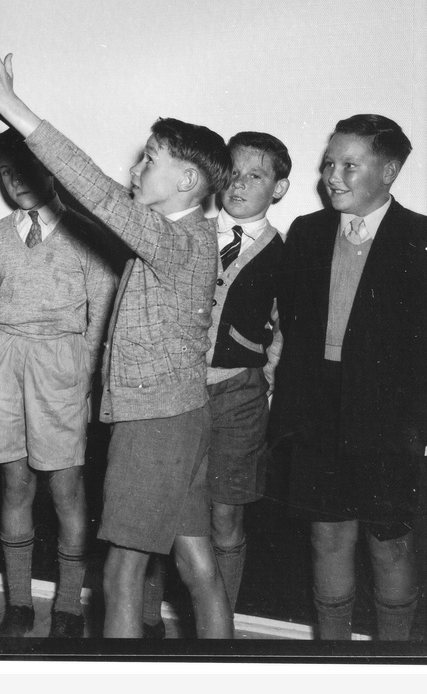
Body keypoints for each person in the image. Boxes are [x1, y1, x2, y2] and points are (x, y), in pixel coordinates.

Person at [0, 37, 234, 638]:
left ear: (187, 179)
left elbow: (96, 191)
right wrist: (2, 124)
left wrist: (14, 105)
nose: (134, 168)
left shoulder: (173, 238)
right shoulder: (192, 237)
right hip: (179, 416)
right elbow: (95, 204)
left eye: (148, 159)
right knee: (197, 562)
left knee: (119, 577)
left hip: (153, 423)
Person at [274, 114, 427, 640]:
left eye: (348, 165)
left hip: (390, 419)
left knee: (391, 543)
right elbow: (295, 330)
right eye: (328, 163)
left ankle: (397, 661)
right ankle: (332, 656)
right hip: (319, 411)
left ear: (388, 171)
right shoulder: (307, 232)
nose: (332, 176)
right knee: (329, 537)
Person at [140, 132, 291, 638]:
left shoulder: (286, 255)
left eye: (257, 175)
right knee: (162, 512)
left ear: (280, 188)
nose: (241, 184)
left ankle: (217, 636)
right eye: (235, 171)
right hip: (177, 393)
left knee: (225, 516)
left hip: (238, 398)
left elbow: (284, 332)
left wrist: (259, 381)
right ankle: (145, 622)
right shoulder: (187, 232)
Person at [0, 129, 116, 638]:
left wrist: (78, 370)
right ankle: (18, 603)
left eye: (27, 169)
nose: (17, 182)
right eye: (6, 172)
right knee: (14, 482)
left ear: (51, 169)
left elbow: (100, 316)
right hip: (5, 360)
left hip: (62, 360)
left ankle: (68, 606)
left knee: (65, 487)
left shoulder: (84, 233)